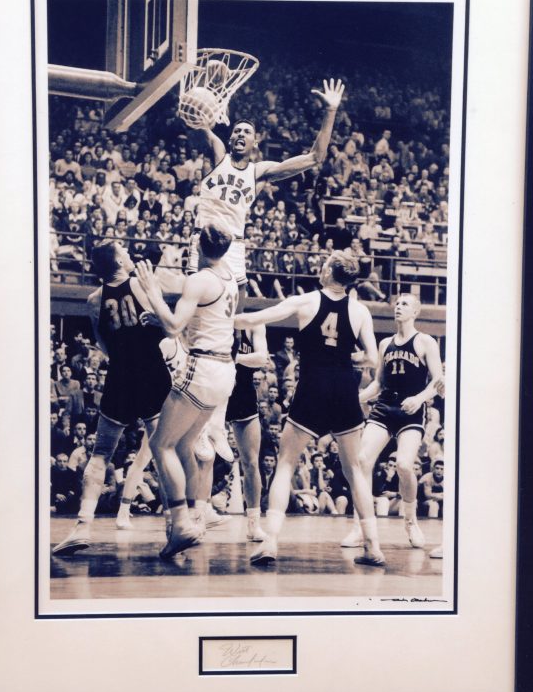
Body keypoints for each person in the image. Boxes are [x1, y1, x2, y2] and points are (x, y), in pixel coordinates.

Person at [235, 249, 384, 566]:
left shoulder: (306, 301)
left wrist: (217, 318)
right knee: (354, 469)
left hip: (313, 383)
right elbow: (372, 358)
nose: (321, 266)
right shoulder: (360, 311)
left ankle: (271, 541)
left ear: (330, 272)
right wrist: (351, 358)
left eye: (326, 263)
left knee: (286, 463)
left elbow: (256, 318)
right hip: (344, 384)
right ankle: (373, 547)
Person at [52, 240, 172, 556]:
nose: (130, 255)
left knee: (101, 452)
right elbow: (169, 326)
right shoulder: (142, 283)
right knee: (163, 450)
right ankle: (176, 522)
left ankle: (83, 525)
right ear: (119, 261)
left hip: (120, 376)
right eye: (125, 251)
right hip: (151, 371)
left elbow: (103, 346)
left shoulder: (94, 300)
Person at [187, 79, 345, 308]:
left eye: (247, 132)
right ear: (231, 139)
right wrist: (209, 93)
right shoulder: (217, 154)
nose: (241, 134)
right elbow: (196, 126)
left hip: (234, 243)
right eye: (237, 131)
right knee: (197, 308)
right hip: (204, 239)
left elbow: (315, 158)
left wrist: (330, 110)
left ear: (255, 141)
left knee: (236, 317)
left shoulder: (258, 172)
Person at [134, 223, 238, 559]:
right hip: (224, 369)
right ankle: (197, 514)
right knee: (186, 444)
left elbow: (175, 325)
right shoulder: (229, 276)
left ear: (199, 246)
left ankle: (180, 523)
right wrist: (161, 317)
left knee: (161, 444)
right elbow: (199, 319)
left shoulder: (199, 279)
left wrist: (152, 290)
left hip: (203, 367)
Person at [341, 293, 444, 550]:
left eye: (405, 304)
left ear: (416, 312)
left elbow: (439, 381)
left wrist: (419, 398)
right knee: (362, 461)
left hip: (411, 410)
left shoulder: (425, 341)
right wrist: (357, 398)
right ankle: (359, 527)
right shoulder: (385, 343)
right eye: (397, 303)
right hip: (385, 407)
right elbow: (378, 383)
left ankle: (410, 521)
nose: (399, 307)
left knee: (404, 465)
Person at [224, 324, 269, 541]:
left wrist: (233, 357)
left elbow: (262, 358)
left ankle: (253, 523)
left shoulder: (253, 323)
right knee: (202, 456)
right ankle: (197, 515)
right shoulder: (211, 311)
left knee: (251, 462)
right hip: (214, 391)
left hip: (242, 392)